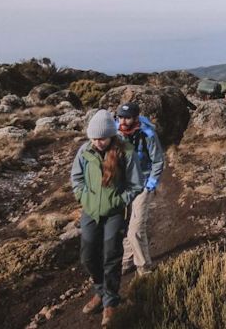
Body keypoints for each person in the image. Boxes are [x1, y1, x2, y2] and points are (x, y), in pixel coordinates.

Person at [71, 110, 142, 327]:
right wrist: (83, 197)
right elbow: (76, 178)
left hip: (114, 213)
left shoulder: (125, 151)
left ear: (111, 135)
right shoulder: (85, 150)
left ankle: (110, 301)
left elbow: (136, 184)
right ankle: (100, 291)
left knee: (112, 254)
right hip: (90, 211)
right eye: (93, 138)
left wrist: (119, 201)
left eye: (101, 138)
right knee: (88, 255)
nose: (97, 142)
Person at [115, 102, 164, 276]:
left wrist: (151, 184)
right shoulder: (114, 133)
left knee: (136, 228)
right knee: (127, 225)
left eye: (127, 118)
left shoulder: (148, 134)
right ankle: (127, 260)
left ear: (135, 118)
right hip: (123, 184)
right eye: (120, 117)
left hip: (143, 183)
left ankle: (144, 267)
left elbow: (158, 160)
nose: (123, 121)